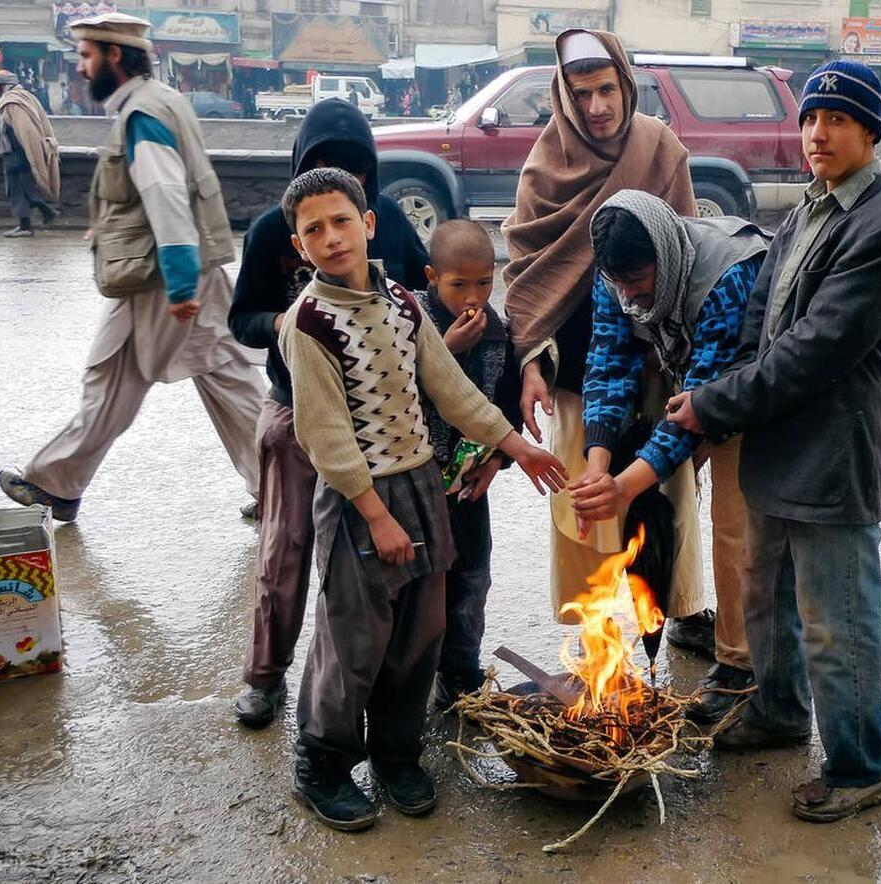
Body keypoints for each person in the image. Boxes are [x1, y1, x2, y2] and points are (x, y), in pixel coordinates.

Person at [666, 59, 881, 823]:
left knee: (835, 615)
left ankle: (858, 766)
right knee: (765, 591)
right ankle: (777, 714)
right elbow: (758, 323)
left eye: (838, 120)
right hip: (776, 439)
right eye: (812, 118)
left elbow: (813, 350)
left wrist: (714, 404)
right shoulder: (811, 209)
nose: (819, 134)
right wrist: (725, 392)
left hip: (832, 450)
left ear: (870, 130)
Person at [277, 167, 566, 831]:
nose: (330, 237)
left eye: (341, 220)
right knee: (355, 637)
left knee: (421, 631)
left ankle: (396, 753)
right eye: (312, 229)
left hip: (423, 485)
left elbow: (450, 390)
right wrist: (374, 514)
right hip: (359, 500)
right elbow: (324, 436)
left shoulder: (404, 305)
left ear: (369, 224)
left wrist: (517, 448)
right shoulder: (309, 323)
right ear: (300, 247)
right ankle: (321, 762)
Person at [502, 29, 720, 656]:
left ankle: (678, 611)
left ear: (625, 85)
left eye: (606, 90)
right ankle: (594, 620)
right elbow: (525, 272)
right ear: (564, 98)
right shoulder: (545, 165)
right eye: (582, 93)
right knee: (584, 495)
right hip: (574, 369)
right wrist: (532, 360)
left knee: (664, 487)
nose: (597, 106)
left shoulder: (661, 150)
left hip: (653, 358)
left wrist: (671, 353)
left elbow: (684, 249)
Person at [0, 13, 263, 523]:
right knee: (224, 381)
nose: (80, 68)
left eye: (86, 56)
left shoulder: (143, 115)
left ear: (113, 56)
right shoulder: (162, 102)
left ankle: (57, 482)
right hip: (174, 270)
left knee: (124, 378)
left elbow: (166, 196)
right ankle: (280, 483)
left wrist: (181, 281)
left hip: (162, 278)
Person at [227, 97, 430, 728]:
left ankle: (384, 693)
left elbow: (424, 289)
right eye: (324, 164)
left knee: (377, 560)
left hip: (377, 422)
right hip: (294, 415)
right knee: (286, 547)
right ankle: (265, 674)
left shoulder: (389, 220)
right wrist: (280, 321)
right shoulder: (269, 232)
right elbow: (241, 320)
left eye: (356, 171)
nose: (333, 234)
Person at [569, 190, 770, 722]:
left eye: (640, 281)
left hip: (753, 394)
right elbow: (608, 361)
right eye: (620, 284)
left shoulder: (729, 277)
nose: (630, 297)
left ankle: (739, 666)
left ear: (666, 254)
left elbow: (701, 405)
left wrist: (624, 487)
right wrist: (597, 467)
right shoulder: (614, 276)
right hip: (698, 387)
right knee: (656, 497)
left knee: (736, 525)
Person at [409, 221, 523, 709]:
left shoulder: (499, 332)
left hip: (471, 486)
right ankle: (412, 676)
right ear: (433, 276)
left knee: (472, 576)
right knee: (419, 586)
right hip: (412, 487)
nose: (473, 296)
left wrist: (497, 461)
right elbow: (395, 390)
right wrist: (446, 350)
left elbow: (509, 407)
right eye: (458, 285)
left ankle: (460, 671)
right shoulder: (410, 321)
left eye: (483, 282)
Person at [0, 69, 59, 237]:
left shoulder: (12, 102)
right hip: (19, 152)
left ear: (4, 86)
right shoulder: (25, 97)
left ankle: (36, 219)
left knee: (19, 188)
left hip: (16, 152)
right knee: (24, 187)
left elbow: (25, 130)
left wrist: (24, 151)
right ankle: (34, 219)